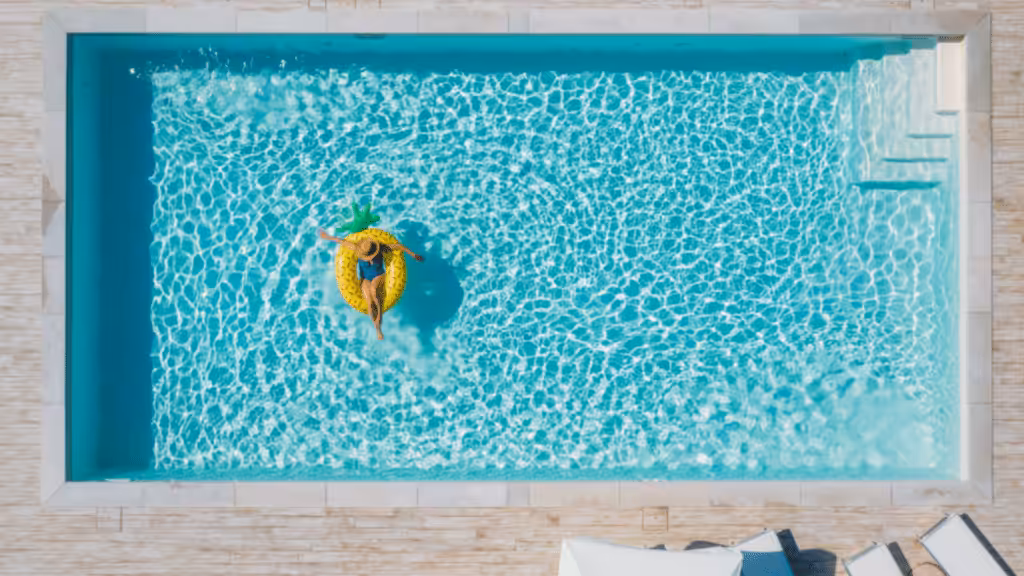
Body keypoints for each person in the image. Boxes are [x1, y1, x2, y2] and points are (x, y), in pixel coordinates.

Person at [318, 228, 424, 340]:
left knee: (374, 291)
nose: (371, 258)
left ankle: (379, 315)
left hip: (379, 275)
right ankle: (377, 329)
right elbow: (341, 241)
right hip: (365, 279)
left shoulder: (381, 248)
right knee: (369, 300)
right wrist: (326, 236)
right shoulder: (356, 249)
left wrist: (413, 254)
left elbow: (399, 247)